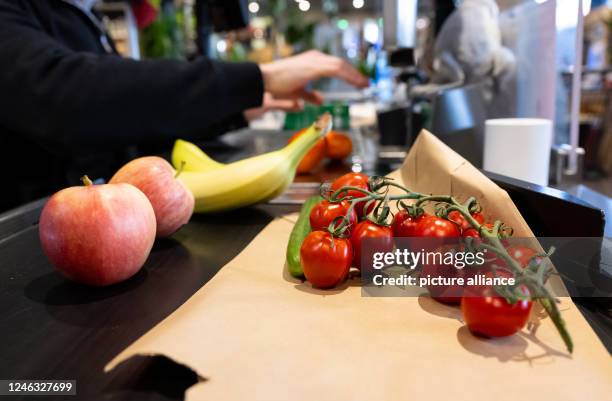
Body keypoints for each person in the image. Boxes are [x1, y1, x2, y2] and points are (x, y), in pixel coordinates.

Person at [0, 0, 368, 212]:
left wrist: (239, 108)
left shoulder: (79, 16)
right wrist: (256, 78)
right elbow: (69, 98)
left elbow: (126, 120)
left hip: (106, 223)